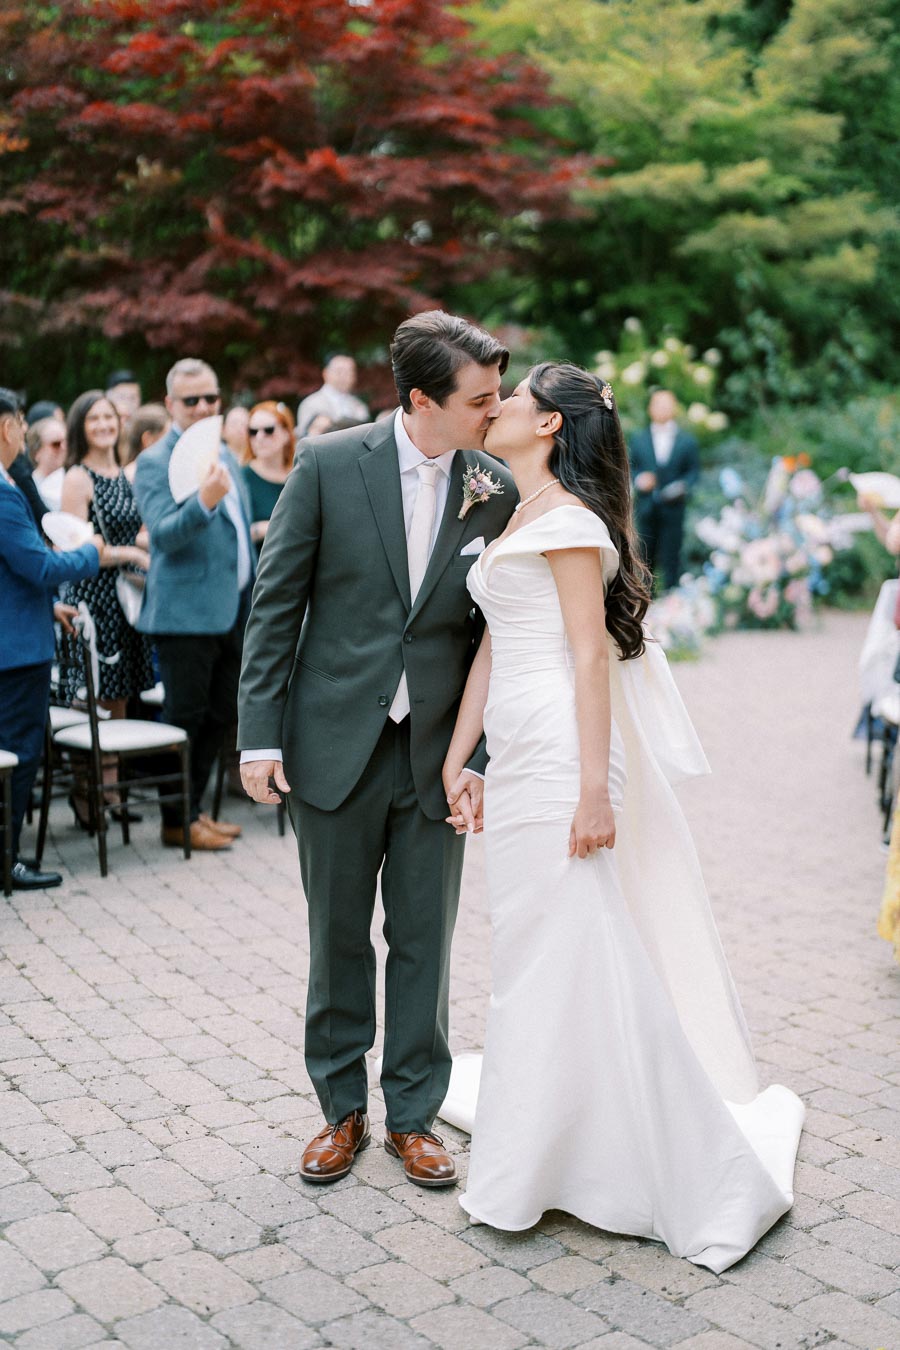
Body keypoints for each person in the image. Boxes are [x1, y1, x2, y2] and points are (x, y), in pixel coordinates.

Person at [440, 363, 803, 1272]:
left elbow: (589, 658)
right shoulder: (516, 515)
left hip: (568, 756)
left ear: (551, 425)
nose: (499, 408)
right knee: (530, 943)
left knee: (576, 939)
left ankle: (634, 1158)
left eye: (513, 398)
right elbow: (490, 645)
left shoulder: (568, 522)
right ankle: (556, 1139)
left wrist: (596, 790)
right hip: (518, 758)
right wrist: (461, 756)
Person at [238, 311, 516, 1188]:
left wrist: (478, 757)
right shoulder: (327, 464)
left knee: (427, 939)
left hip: (437, 753)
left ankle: (415, 1117)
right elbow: (277, 606)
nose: (495, 410)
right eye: (480, 398)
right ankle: (339, 1112)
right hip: (333, 744)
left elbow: (498, 637)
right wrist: (258, 736)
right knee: (337, 937)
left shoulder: (495, 487)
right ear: (422, 399)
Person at [133, 357, 255, 851]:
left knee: (224, 712)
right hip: (184, 614)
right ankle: (176, 820)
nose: (204, 406)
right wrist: (203, 500)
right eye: (192, 400)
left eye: (211, 398)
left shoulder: (224, 452)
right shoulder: (155, 461)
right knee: (185, 717)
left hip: (233, 607)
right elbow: (162, 536)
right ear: (170, 405)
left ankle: (196, 811)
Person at [0, 387, 108, 889]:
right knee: (19, 756)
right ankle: (7, 859)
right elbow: (39, 564)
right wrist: (92, 552)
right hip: (15, 653)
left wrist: (50, 606)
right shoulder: (2, 492)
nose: (23, 433)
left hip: (20, 632)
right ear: (9, 427)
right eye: (21, 424)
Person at [57, 391, 154, 824]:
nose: (103, 425)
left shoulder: (127, 473)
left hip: (126, 599)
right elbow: (75, 549)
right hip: (92, 599)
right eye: (93, 419)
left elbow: (135, 533)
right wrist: (132, 555)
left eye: (109, 417)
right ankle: (87, 794)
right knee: (93, 696)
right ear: (81, 427)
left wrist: (146, 545)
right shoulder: (78, 478)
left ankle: (111, 788)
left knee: (120, 695)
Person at [629, 389, 700, 590]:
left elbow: (693, 472)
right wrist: (639, 480)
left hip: (674, 508)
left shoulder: (687, 441)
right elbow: (631, 467)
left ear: (675, 408)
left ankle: (673, 604)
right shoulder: (638, 439)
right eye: (658, 404)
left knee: (672, 558)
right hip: (646, 507)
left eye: (667, 404)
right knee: (644, 559)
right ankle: (644, 604)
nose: (663, 409)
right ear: (650, 409)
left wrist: (682, 486)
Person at [241, 401, 294, 551]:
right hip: (261, 566)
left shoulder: (300, 475)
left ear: (286, 434)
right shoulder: (242, 478)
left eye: (268, 430)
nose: (259, 437)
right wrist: (264, 528)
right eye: (252, 431)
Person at [296, 354, 369, 436]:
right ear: (325, 373)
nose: (344, 376)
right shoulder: (310, 404)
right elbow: (302, 439)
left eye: (349, 371)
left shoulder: (359, 406)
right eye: (339, 371)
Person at [26, 416, 68, 511]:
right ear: (36, 452)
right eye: (56, 444)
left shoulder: (75, 478)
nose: (64, 448)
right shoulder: (31, 488)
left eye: (67, 442)